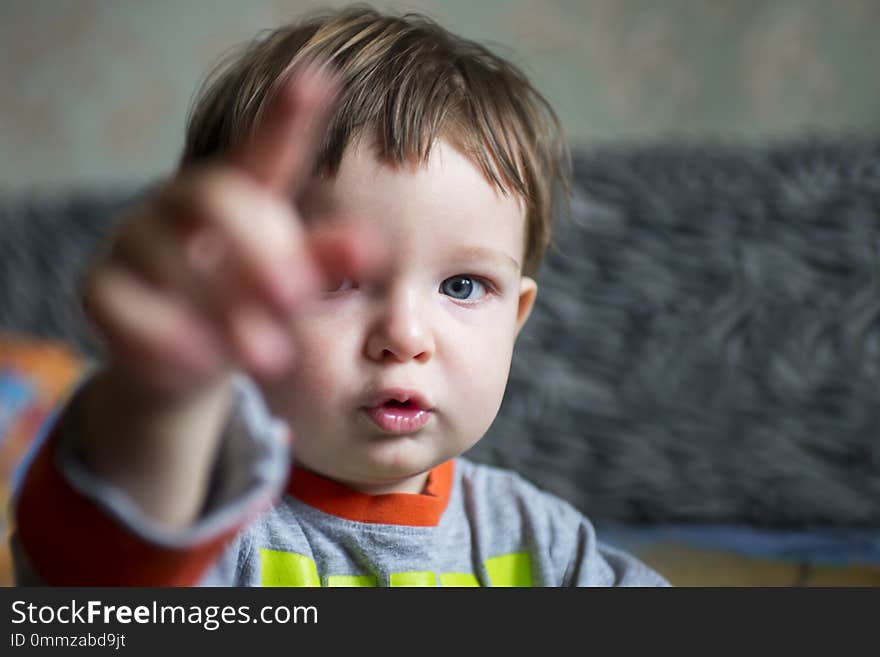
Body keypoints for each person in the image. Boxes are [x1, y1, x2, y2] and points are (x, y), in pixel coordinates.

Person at [12, 5, 668, 587]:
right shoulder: (217, 527)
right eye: (331, 279)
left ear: (517, 316)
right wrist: (162, 402)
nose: (406, 335)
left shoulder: (544, 544)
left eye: (462, 286)